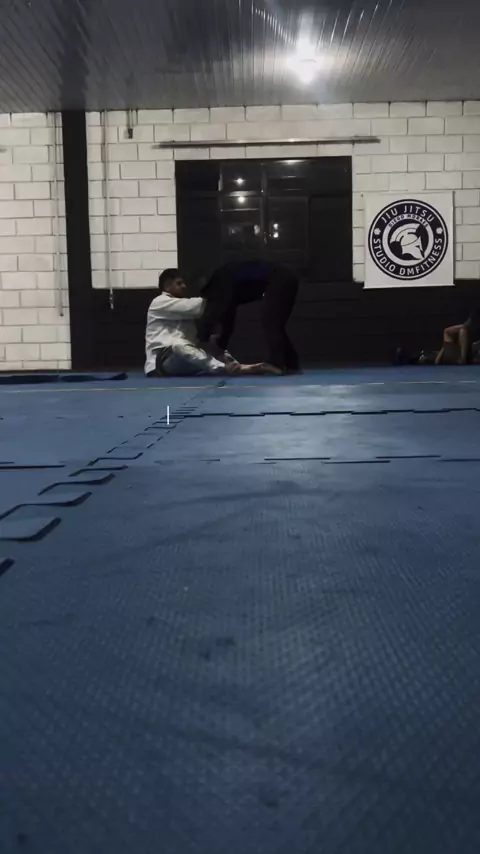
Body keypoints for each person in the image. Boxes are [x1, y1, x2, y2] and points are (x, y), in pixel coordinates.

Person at [145, 269, 282, 377]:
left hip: (183, 362)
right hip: (161, 363)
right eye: (179, 283)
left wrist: (216, 347)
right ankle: (227, 368)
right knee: (178, 345)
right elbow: (199, 306)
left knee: (212, 341)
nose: (184, 286)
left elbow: (195, 339)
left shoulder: (184, 313)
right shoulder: (159, 302)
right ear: (168, 286)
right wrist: (220, 293)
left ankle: (240, 366)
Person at [197, 260, 300, 374]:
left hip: (280, 277)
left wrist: (201, 340)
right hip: (285, 276)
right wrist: (221, 345)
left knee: (271, 323)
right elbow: (228, 322)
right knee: (275, 325)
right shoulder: (225, 285)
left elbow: (212, 315)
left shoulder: (220, 281)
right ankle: (291, 364)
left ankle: (277, 363)